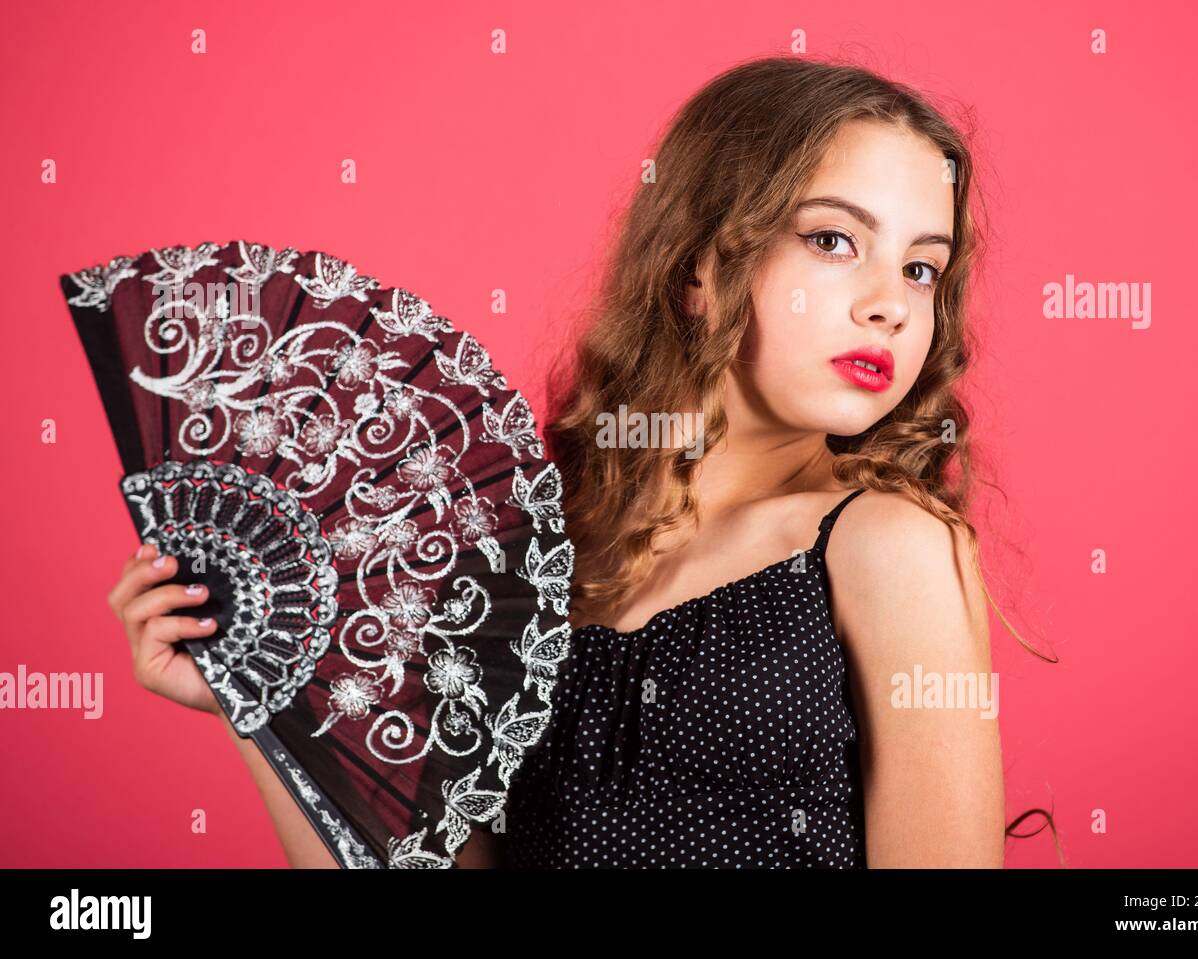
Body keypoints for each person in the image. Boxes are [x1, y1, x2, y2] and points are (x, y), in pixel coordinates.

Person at [108, 54, 1038, 868]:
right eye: (833, 240)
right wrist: (261, 694)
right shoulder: (522, 555)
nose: (891, 304)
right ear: (699, 268)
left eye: (922, 267)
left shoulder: (888, 544)